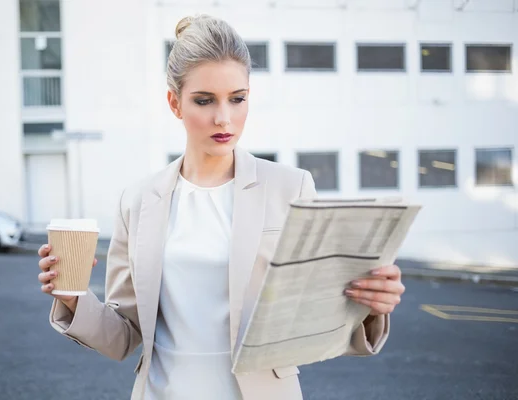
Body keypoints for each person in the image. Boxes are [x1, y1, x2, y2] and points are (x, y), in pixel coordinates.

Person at [36, 14, 405, 400]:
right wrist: (73, 298)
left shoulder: (290, 187)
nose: (223, 118)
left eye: (237, 98)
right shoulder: (138, 200)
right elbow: (125, 335)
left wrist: (370, 304)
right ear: (174, 103)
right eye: (204, 100)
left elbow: (313, 316)